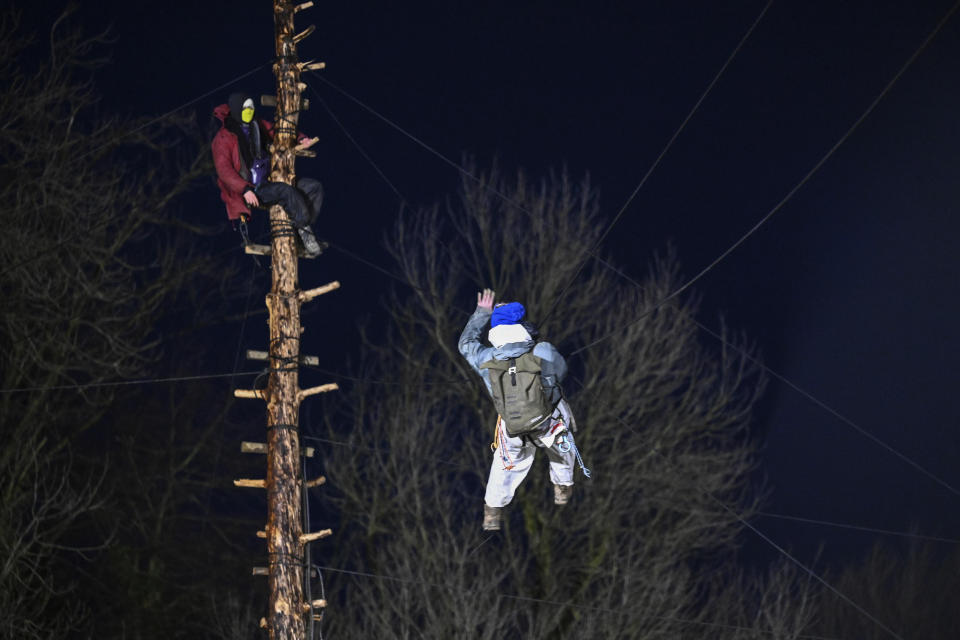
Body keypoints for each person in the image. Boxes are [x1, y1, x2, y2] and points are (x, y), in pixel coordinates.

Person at [458, 288, 583, 531]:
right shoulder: (542, 350)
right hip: (548, 424)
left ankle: (492, 511)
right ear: (521, 325)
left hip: (512, 429)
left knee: (503, 465)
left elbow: (465, 344)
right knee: (562, 442)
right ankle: (563, 487)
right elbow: (561, 372)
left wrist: (482, 313)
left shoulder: (486, 357)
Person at [211, 91, 324, 256]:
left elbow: (276, 130)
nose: (249, 112)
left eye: (251, 108)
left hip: (267, 178)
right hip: (251, 188)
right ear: (236, 110)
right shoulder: (224, 138)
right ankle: (306, 234)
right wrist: (245, 189)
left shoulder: (256, 124)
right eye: (245, 109)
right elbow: (224, 170)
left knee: (314, 188)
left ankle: (301, 233)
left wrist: (301, 138)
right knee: (286, 192)